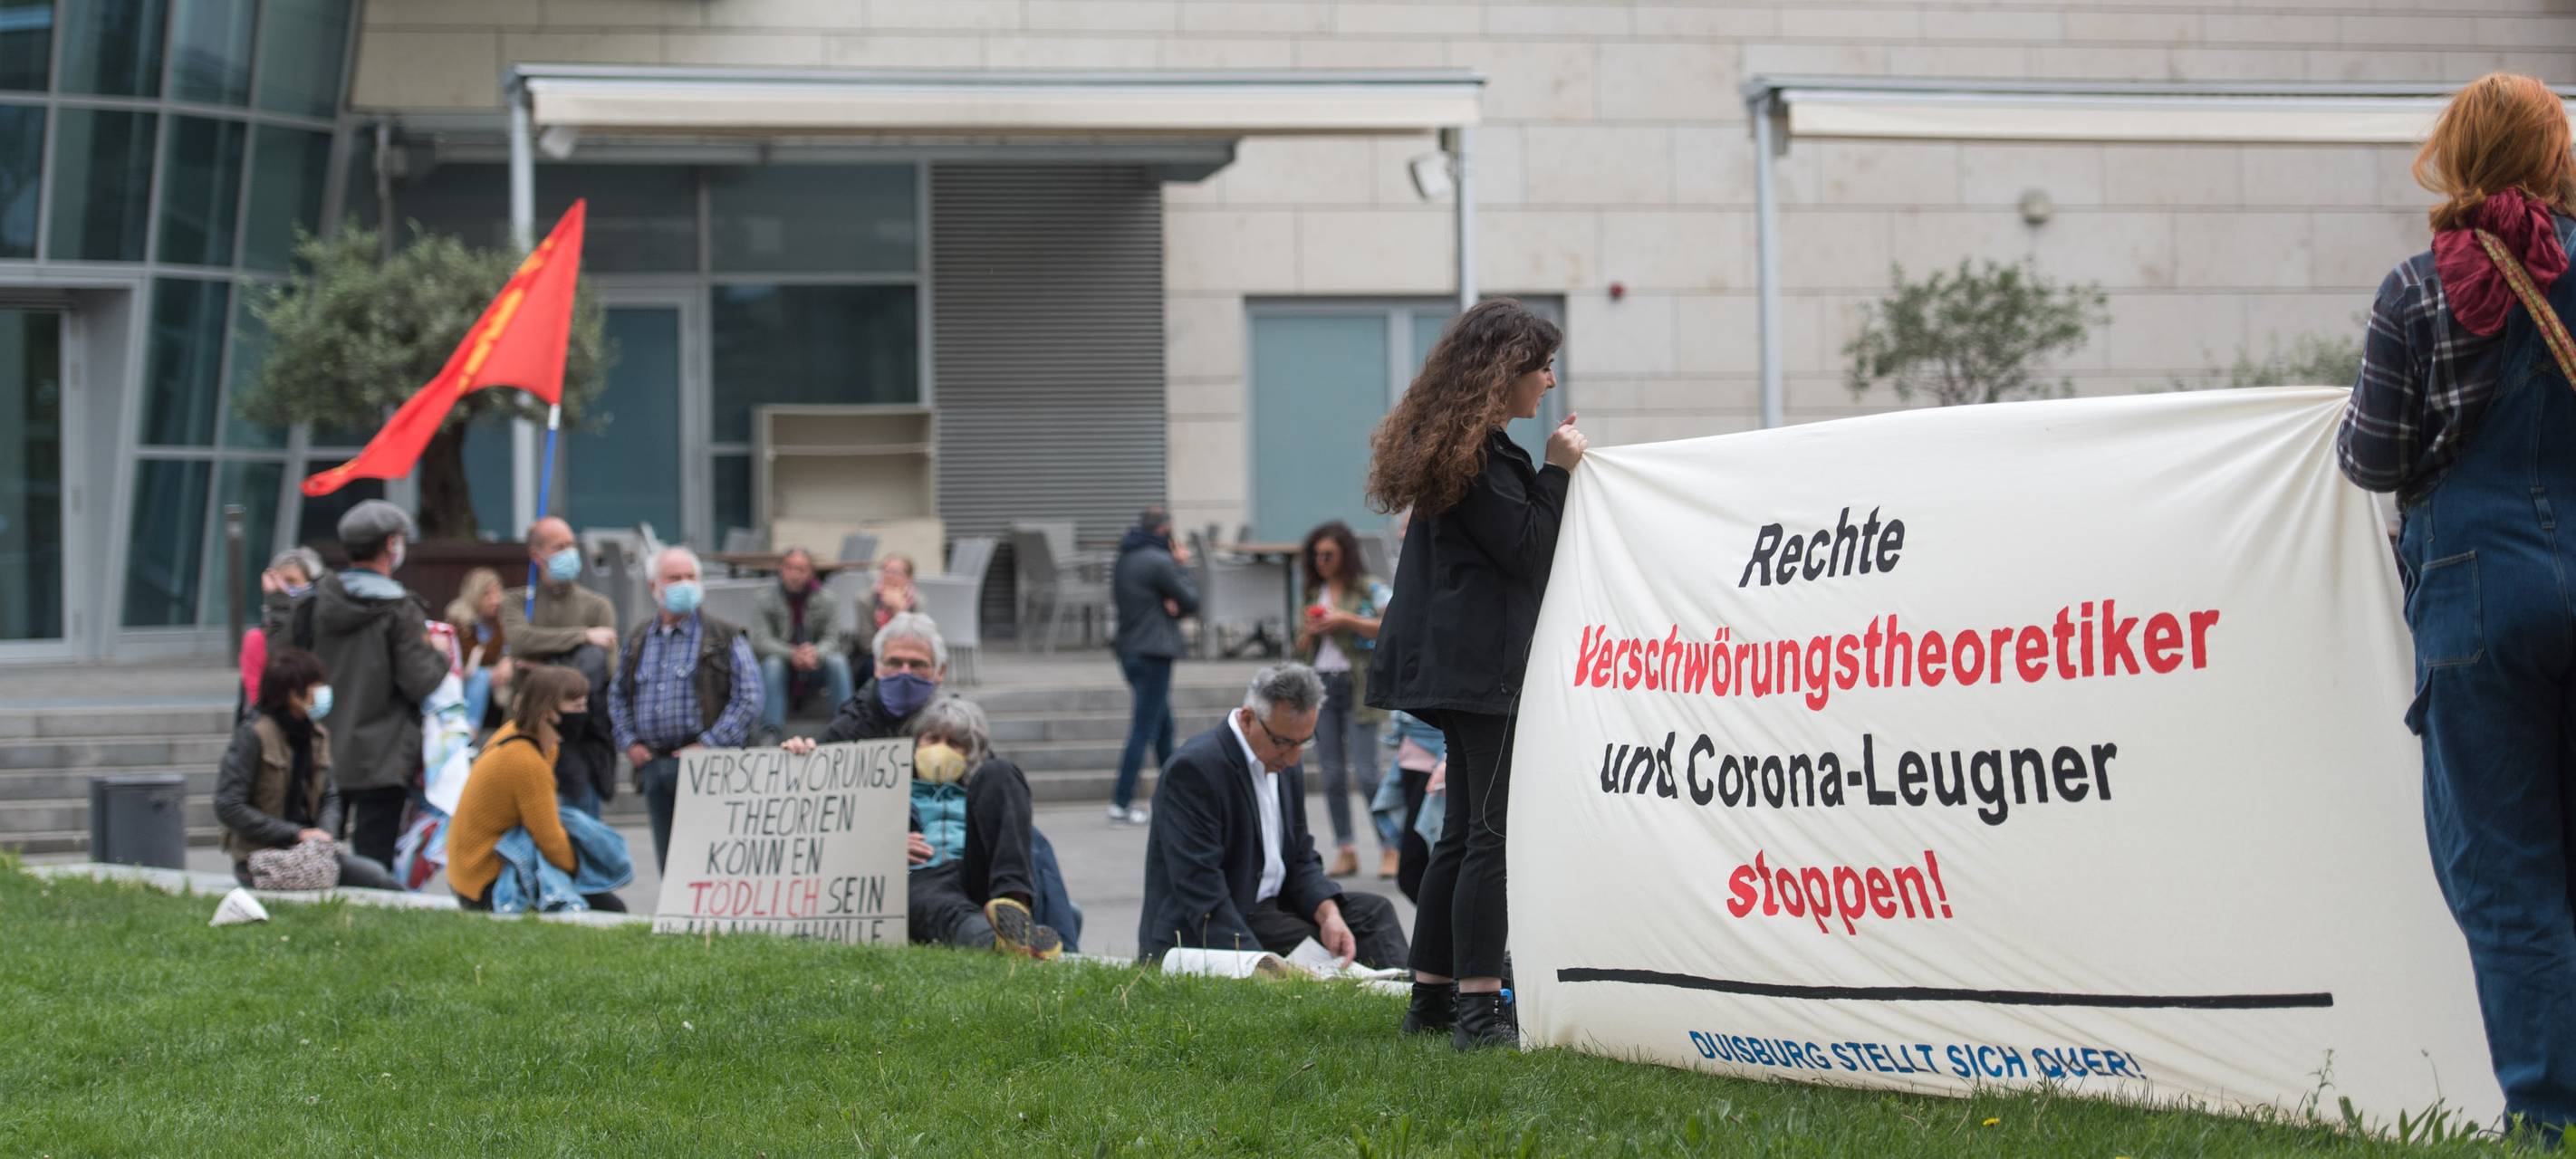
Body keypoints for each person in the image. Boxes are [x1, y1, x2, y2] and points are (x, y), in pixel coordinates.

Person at [2337, 72, 2576, 1138]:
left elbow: (2370, 457)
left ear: (2456, 156)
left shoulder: (2416, 289)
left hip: (2479, 598)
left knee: (2509, 873)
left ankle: (2550, 1112)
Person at [1365, 297, 1585, 1049]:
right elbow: (1527, 550)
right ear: (1505, 374)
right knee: (1488, 836)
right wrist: (1556, 472)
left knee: (1461, 835)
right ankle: (1478, 1014)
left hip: (1454, 666)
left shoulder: (1456, 450)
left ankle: (1432, 1004)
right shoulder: (1482, 459)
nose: (1549, 381)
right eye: (1541, 366)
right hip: (1481, 669)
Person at [786, 613, 1085, 949]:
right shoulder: (847, 732)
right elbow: (819, 821)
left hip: (970, 863)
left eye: (917, 665)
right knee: (942, 905)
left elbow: (1000, 811)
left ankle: (1015, 909)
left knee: (1016, 804)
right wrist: (803, 763)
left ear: (940, 672)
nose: (904, 674)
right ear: (876, 666)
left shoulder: (962, 723)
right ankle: (1004, 942)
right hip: (913, 870)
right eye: (894, 663)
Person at [1136, 663, 1409, 970]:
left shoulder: (1283, 762)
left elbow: (1301, 857)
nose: (1293, 757)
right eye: (1283, 743)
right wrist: (1260, 963)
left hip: (1270, 907)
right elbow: (1200, 889)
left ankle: (1414, 1003)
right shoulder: (1195, 769)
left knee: (1372, 914)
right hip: (1215, 921)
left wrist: (1328, 913)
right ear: (1248, 717)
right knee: (1320, 947)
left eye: (1304, 742)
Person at [296, 499, 450, 869]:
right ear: (391, 545)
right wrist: (441, 655)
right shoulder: (400, 609)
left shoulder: (315, 602)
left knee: (316, 851)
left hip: (319, 744)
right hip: (382, 754)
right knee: (374, 859)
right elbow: (419, 680)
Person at [609, 546, 761, 873]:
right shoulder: (638, 638)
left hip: (709, 765)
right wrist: (630, 743)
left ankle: (714, 923)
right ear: (654, 587)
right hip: (653, 764)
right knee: (670, 860)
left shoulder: (723, 636)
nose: (685, 585)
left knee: (710, 858)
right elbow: (618, 695)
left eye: (691, 577)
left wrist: (707, 745)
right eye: (674, 578)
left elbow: (748, 697)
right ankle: (675, 922)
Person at [213, 646, 403, 891]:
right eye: (317, 685)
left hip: (311, 853)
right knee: (371, 878)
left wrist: (322, 835)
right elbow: (229, 805)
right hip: (261, 859)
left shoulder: (316, 734)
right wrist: (296, 834)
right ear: (294, 693)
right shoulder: (254, 735)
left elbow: (330, 796)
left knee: (377, 876)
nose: (323, 692)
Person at [447, 664, 629, 913]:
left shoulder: (520, 736)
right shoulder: (526, 760)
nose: (584, 714)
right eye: (576, 707)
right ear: (548, 711)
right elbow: (550, 841)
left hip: (468, 871)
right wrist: (585, 870)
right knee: (611, 908)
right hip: (484, 881)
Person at [900, 697, 1061, 957]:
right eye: (932, 739)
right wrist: (887, 846)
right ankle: (1007, 941)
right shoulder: (892, 791)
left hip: (978, 875)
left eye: (954, 743)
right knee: (946, 909)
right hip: (922, 875)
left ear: (971, 753)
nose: (941, 749)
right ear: (916, 743)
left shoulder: (985, 788)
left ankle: (1014, 907)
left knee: (1001, 771)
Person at [501, 517, 622, 816]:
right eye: (559, 547)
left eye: (571, 545)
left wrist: (540, 666)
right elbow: (520, 641)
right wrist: (582, 637)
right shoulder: (517, 602)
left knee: (581, 828)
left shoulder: (597, 606)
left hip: (580, 737)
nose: (569, 552)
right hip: (526, 728)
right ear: (537, 556)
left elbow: (602, 669)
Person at [1293, 521, 1395, 878]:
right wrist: (1310, 631)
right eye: (1316, 555)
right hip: (1321, 684)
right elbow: (1299, 648)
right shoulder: (1312, 593)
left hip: (1357, 686)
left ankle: (1389, 846)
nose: (1322, 561)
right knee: (1333, 775)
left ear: (1344, 555)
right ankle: (1346, 848)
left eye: (1329, 555)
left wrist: (1346, 620)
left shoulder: (1367, 588)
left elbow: (1392, 623)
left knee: (1368, 774)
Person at [1109, 503, 1198, 826]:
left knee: (1163, 727)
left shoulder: (1125, 558)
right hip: (1154, 652)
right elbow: (1190, 600)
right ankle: (1121, 801)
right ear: (1164, 530)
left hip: (1129, 651)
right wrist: (1183, 567)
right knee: (1145, 728)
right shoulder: (1161, 561)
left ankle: (1178, 798)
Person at [752, 545, 856, 745]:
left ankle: (847, 727)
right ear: (781, 569)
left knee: (837, 661)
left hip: (815, 666)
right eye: (790, 568)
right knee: (772, 664)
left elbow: (833, 639)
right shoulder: (765, 599)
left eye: (801, 569)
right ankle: (770, 732)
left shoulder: (828, 599)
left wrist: (814, 653)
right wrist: (792, 654)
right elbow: (761, 640)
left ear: (810, 572)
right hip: (782, 666)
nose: (794, 575)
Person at [237, 546, 326, 716]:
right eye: (279, 582)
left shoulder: (321, 627)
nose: (284, 588)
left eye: (292, 581)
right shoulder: (257, 638)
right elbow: (256, 693)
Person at [443, 566, 514, 729]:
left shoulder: (505, 619)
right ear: (474, 596)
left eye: (498, 593)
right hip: (466, 679)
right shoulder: (460, 622)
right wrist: (492, 670)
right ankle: (470, 729)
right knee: (480, 677)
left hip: (500, 681)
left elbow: (514, 648)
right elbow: (466, 660)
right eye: (487, 594)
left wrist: (508, 661)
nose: (495, 600)